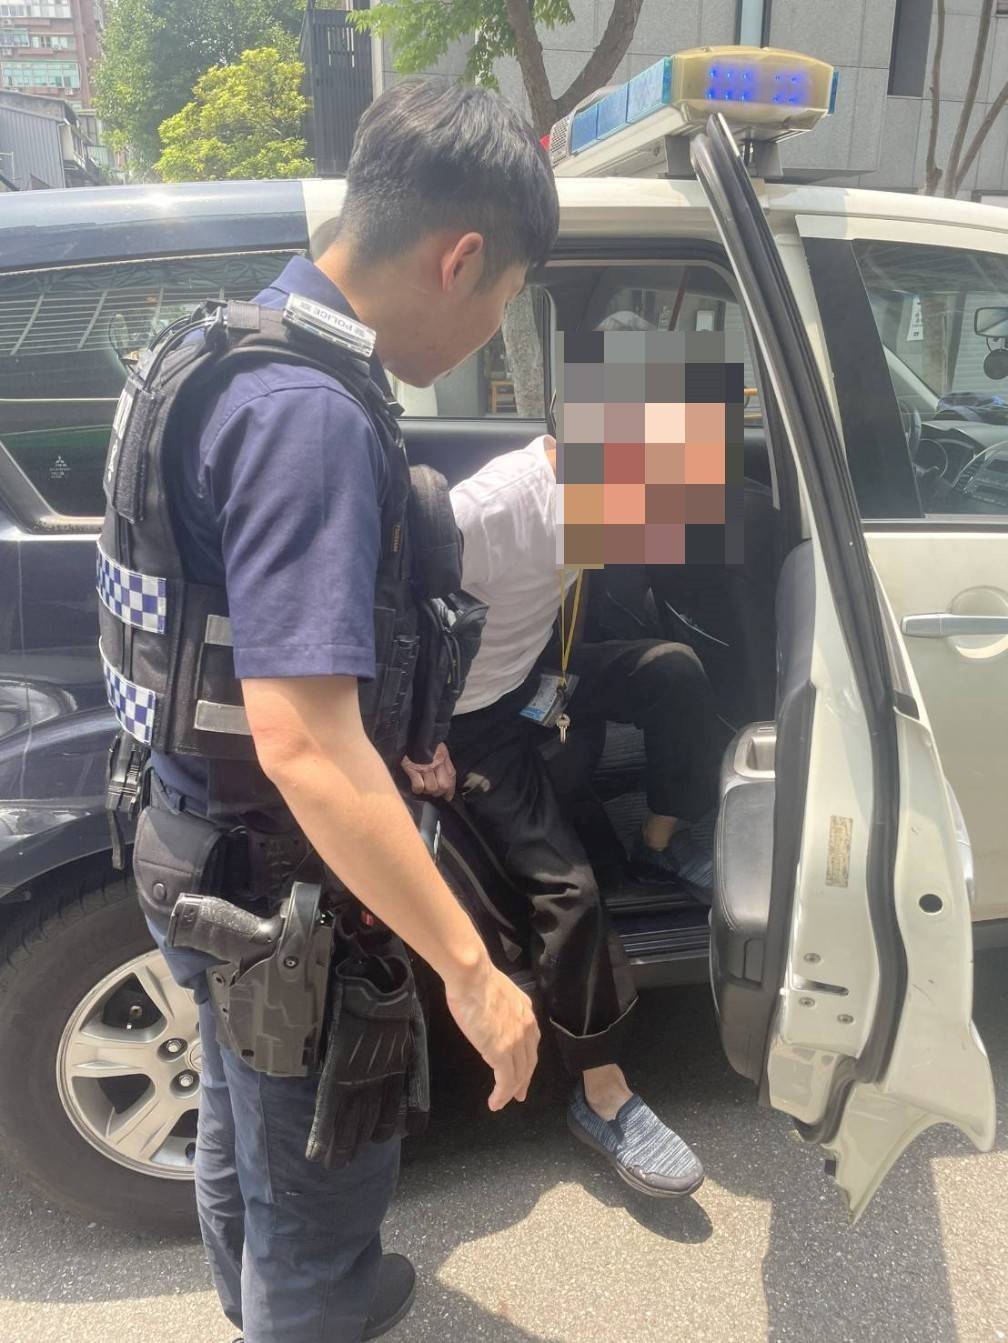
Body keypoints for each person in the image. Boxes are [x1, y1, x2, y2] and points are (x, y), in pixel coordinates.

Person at [102, 81, 558, 1343]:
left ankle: (279, 1299)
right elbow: (302, 742)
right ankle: (308, 1308)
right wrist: (472, 969)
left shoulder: (227, 339)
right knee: (318, 1174)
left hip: (194, 837)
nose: (491, 332)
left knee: (245, 1120)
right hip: (282, 887)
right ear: (460, 257)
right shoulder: (307, 417)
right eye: (505, 300)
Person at [405, 433, 717, 1200]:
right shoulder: (490, 511)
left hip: (537, 678)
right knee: (569, 887)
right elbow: (385, 615)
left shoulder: (604, 499)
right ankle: (602, 1091)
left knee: (673, 672)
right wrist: (415, 737)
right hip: (469, 722)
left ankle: (659, 844)